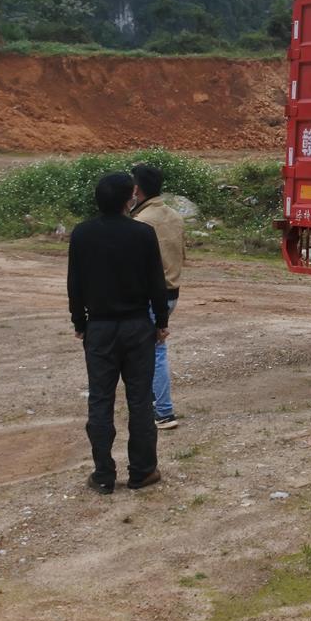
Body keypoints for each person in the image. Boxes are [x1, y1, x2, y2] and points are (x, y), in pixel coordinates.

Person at [67, 171, 170, 494]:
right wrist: (161, 322)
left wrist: (80, 323)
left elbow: (75, 285)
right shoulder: (142, 234)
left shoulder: (82, 234)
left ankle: (103, 475)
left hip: (99, 327)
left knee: (100, 400)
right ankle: (142, 471)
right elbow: (157, 282)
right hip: (138, 326)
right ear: (131, 198)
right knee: (139, 400)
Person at [129, 164, 185, 430]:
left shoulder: (140, 222)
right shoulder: (175, 216)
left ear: (136, 189)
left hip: (153, 296)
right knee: (152, 349)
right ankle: (154, 405)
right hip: (172, 292)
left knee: (155, 351)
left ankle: (164, 412)